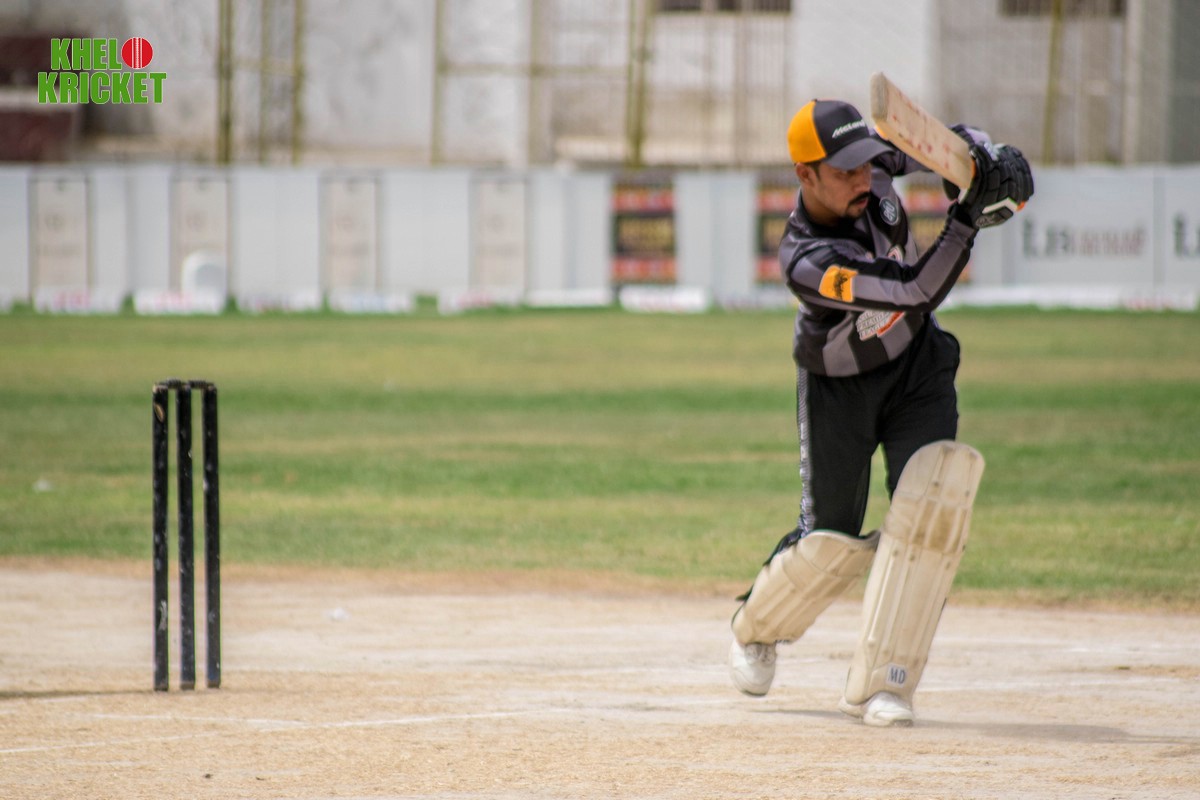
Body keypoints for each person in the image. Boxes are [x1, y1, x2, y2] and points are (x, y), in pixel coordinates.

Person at [727, 98, 1033, 726]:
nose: (862, 179)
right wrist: (965, 219)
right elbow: (914, 291)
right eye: (844, 172)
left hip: (916, 366)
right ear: (805, 174)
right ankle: (755, 627)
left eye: (866, 164)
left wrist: (982, 159)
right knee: (830, 543)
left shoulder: (872, 166)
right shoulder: (806, 259)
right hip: (839, 387)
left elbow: (949, 142)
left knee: (930, 506)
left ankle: (885, 682)